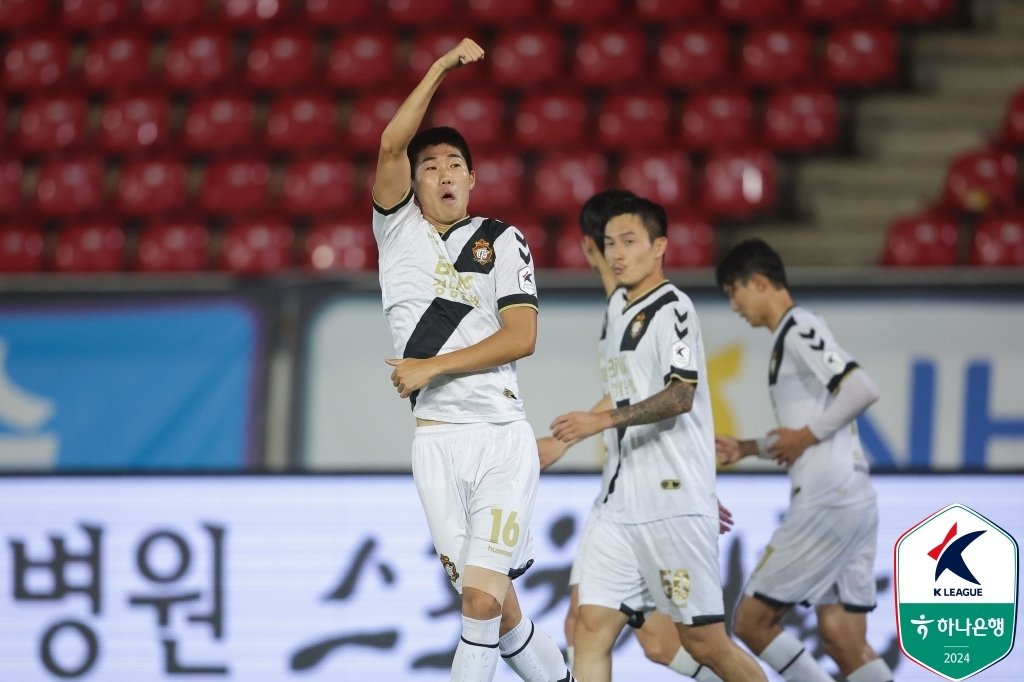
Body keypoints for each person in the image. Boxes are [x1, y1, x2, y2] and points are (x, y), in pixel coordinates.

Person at [372, 37, 573, 682]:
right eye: (432, 165)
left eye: (457, 163)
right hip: (435, 445)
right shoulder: (394, 231)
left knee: (478, 602)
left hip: (497, 437)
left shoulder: (500, 240)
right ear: (414, 180)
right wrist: (439, 67)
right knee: (499, 607)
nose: (446, 173)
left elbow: (522, 337)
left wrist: (429, 368)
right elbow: (389, 145)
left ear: (473, 179)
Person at [546, 195, 767, 682]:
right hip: (622, 503)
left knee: (703, 642)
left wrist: (598, 424)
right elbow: (624, 392)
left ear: (660, 246)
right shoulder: (621, 310)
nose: (617, 254)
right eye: (609, 245)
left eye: (628, 242)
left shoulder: (673, 307)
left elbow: (681, 395)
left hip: (669, 500)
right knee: (589, 626)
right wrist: (571, 435)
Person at [714, 238, 894, 682]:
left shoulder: (799, 327)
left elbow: (861, 389)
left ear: (758, 283)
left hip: (826, 499)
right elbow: (801, 428)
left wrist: (807, 435)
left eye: (733, 292)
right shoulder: (787, 338)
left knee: (752, 622)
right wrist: (749, 447)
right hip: (851, 499)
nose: (734, 306)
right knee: (841, 637)